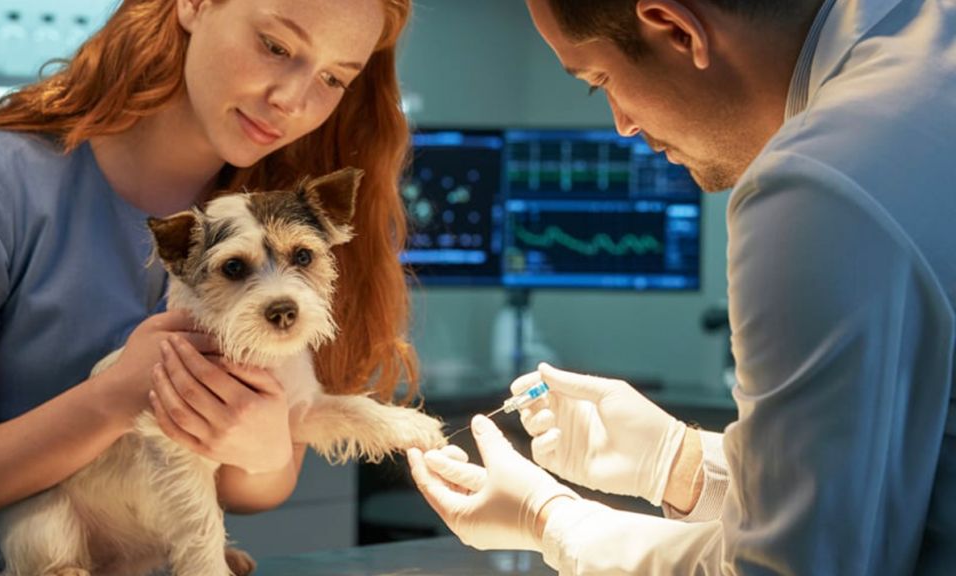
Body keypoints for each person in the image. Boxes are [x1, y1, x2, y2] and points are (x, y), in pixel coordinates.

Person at [409, 0, 956, 573]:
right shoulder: (921, 44)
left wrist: (552, 521)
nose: (622, 123)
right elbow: (890, 483)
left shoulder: (817, 186)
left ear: (675, 27)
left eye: (600, 81)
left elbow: (786, 567)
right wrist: (678, 461)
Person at [0, 0, 418, 573]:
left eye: (333, 77)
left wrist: (262, 446)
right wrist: (116, 397)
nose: (292, 100)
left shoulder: (277, 210)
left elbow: (254, 488)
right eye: (276, 46)